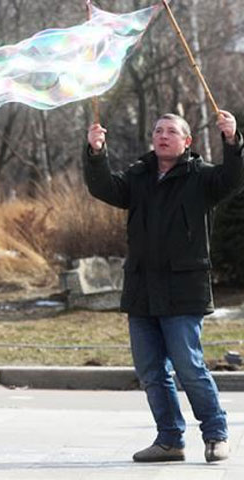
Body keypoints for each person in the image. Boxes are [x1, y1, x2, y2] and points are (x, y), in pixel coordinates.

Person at [83, 110, 244, 463]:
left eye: (171, 131)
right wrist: (96, 152)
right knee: (151, 371)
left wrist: (232, 141)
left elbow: (234, 178)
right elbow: (103, 187)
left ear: (187, 142)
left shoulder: (202, 178)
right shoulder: (138, 176)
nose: (163, 135)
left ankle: (216, 434)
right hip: (141, 288)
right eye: (158, 130)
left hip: (184, 288)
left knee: (189, 367)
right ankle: (170, 440)